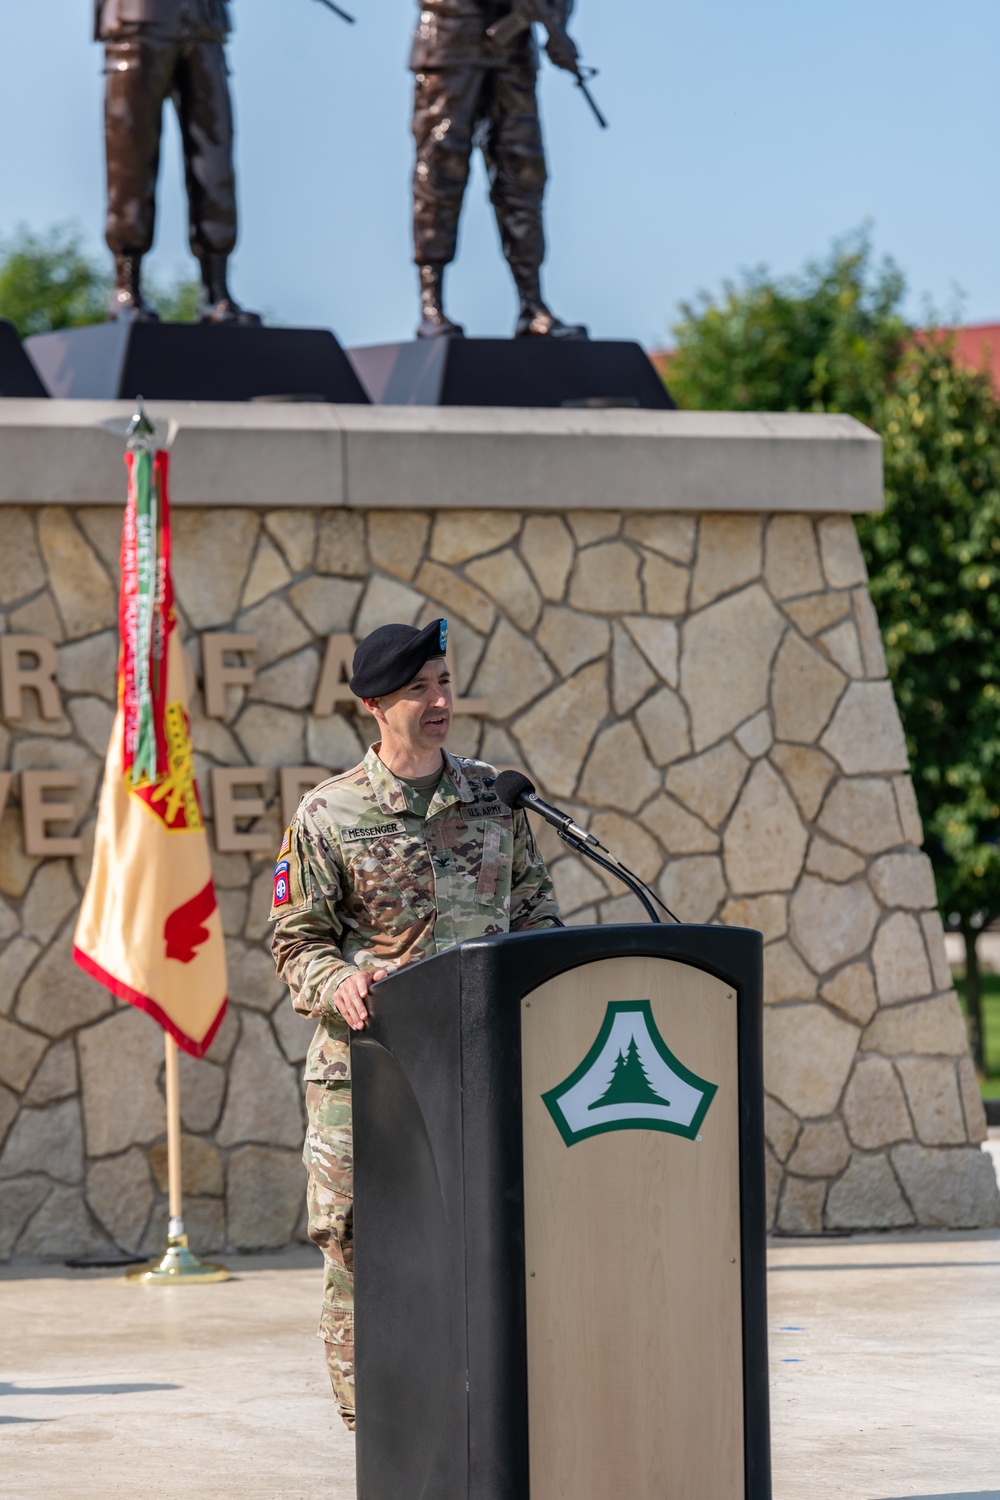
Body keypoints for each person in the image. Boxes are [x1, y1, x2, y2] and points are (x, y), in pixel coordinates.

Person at [270, 617, 561, 1431]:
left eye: (443, 681)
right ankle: (382, 1442)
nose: (439, 701)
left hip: (481, 1067)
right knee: (364, 1256)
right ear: (375, 705)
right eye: (417, 689)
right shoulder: (329, 814)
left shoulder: (495, 798)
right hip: (371, 1073)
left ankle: (485, 1427)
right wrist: (343, 981)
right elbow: (297, 942)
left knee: (489, 1246)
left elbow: (538, 914)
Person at [409, 0, 587, 339]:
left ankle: (532, 305)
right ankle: (432, 305)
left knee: (523, 168)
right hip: (452, 35)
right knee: (441, 167)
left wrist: (556, 23)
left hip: (514, 46)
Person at [94, 0, 259, 323]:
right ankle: (126, 287)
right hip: (138, 21)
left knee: (215, 162)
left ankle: (216, 291)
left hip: (203, 24)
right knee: (130, 161)